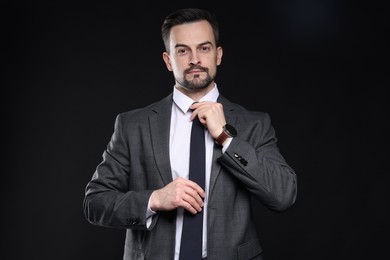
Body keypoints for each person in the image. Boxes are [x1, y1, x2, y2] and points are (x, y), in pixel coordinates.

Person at [83, 7, 297, 260]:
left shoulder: (254, 124)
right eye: (182, 50)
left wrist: (226, 138)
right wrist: (154, 199)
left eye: (204, 48)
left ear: (218, 55)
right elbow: (94, 203)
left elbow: (283, 195)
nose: (194, 59)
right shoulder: (133, 125)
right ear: (168, 60)